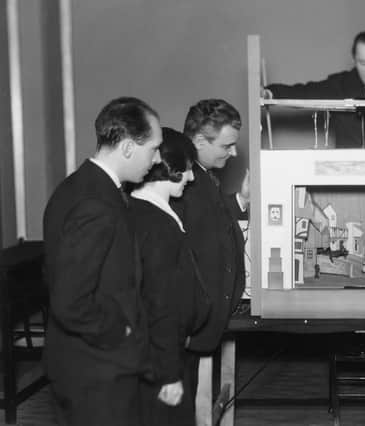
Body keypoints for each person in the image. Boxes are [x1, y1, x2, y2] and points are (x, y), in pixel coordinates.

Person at [43, 97, 162, 426]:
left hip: (86, 365)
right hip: (97, 371)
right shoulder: (97, 202)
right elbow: (70, 301)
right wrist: (120, 330)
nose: (157, 159)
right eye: (153, 148)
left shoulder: (77, 187)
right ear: (127, 147)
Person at [171, 99, 249, 424]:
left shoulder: (202, 175)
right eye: (227, 145)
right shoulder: (182, 181)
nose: (232, 153)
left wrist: (241, 199)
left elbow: (209, 220)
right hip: (187, 326)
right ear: (200, 141)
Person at [130, 128, 211, 426]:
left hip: (165, 353)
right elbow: (160, 303)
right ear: (172, 168)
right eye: (188, 169)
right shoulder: (156, 224)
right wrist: (169, 375)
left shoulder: (147, 211)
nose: (191, 178)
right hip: (162, 360)